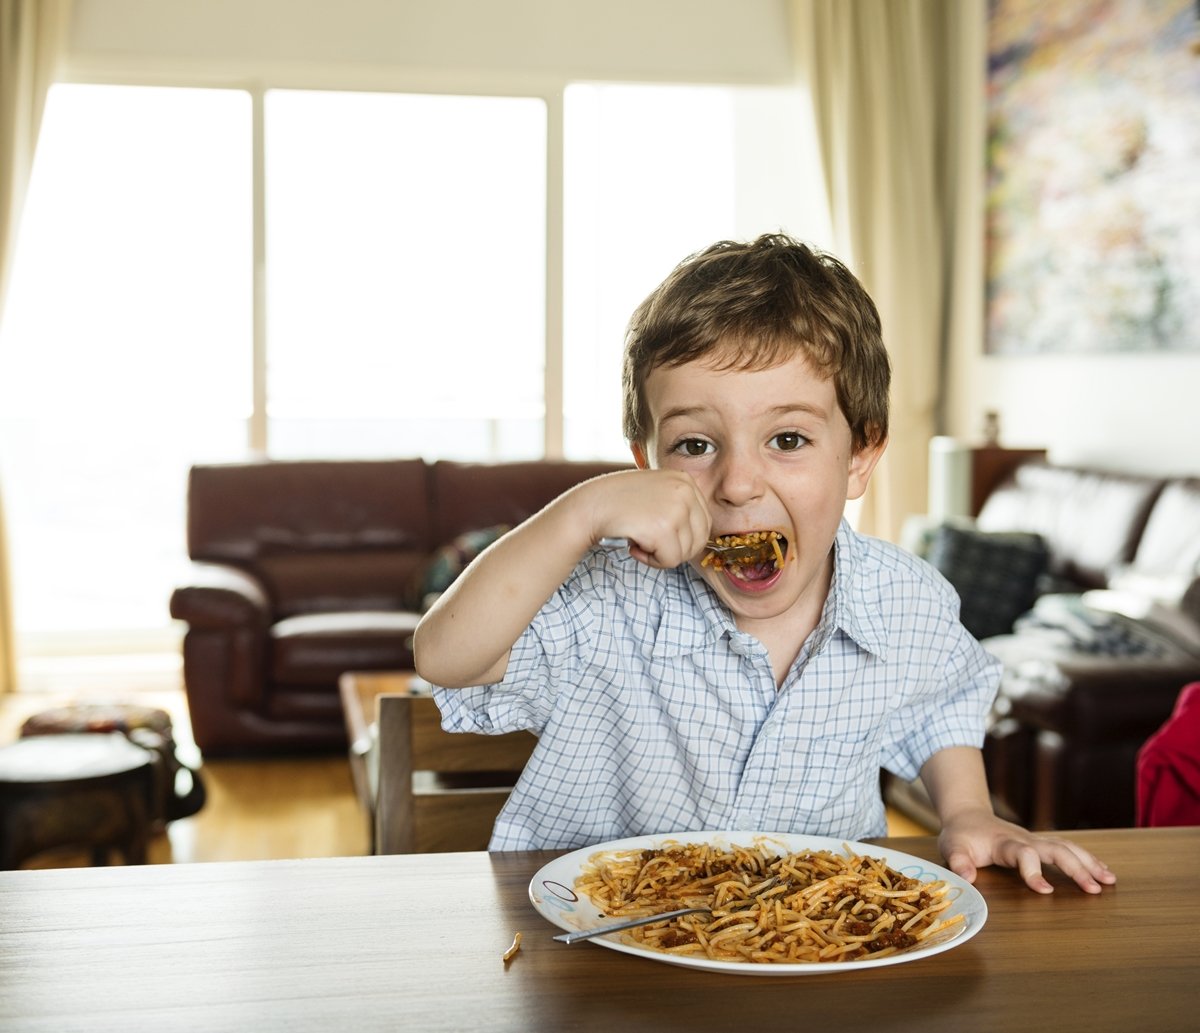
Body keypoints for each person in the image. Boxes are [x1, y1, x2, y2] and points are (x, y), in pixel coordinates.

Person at [413, 233, 1115, 895]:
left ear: (860, 457)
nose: (739, 483)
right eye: (694, 445)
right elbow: (445, 656)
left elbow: (942, 705)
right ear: (645, 462)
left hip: (808, 947)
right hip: (592, 948)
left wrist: (967, 814)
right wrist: (580, 514)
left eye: (787, 437)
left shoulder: (905, 600)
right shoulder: (608, 594)